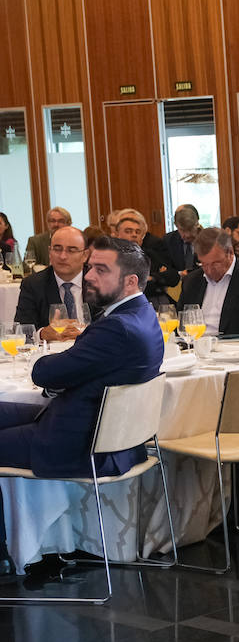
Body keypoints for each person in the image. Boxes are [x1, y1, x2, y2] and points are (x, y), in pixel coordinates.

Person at [0, 237, 162, 577]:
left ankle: (3, 552)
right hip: (92, 426)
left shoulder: (117, 327)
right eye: (90, 267)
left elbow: (44, 373)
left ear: (130, 281)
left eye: (101, 270)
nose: (88, 276)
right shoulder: (142, 314)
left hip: (79, 442)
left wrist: (59, 368)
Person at [179, 228, 239, 342]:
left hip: (237, 350)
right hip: (194, 348)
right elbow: (181, 325)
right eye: (204, 264)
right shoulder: (191, 282)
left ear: (230, 253)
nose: (209, 270)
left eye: (215, 263)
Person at [16, 225, 87, 340]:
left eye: (71, 250)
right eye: (57, 249)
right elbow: (21, 331)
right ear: (49, 252)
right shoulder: (33, 284)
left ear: (85, 255)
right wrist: (42, 334)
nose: (63, 256)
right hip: (53, 350)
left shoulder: (99, 281)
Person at [113, 209, 179, 306]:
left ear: (142, 239)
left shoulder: (149, 255)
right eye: (128, 231)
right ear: (116, 235)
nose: (134, 235)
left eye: (137, 232)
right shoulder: (110, 259)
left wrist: (153, 277)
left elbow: (174, 277)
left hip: (155, 303)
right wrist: (151, 280)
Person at [163, 204, 200, 271]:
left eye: (190, 229)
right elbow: (167, 269)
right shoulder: (169, 240)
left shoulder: (208, 240)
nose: (187, 235)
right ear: (176, 225)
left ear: (197, 223)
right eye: (182, 230)